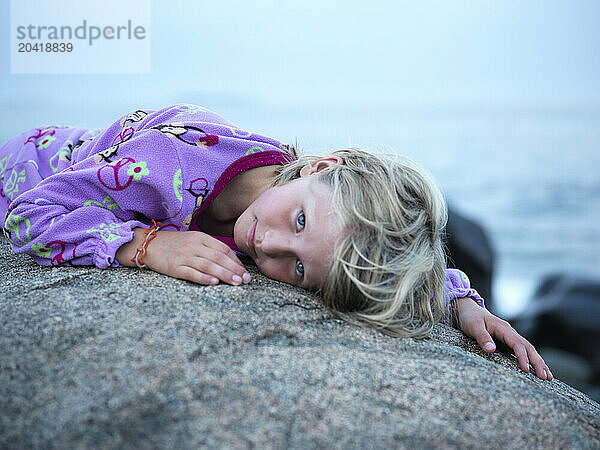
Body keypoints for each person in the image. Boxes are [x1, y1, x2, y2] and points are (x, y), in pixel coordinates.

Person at [1, 103, 552, 380]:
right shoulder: (172, 161)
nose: (269, 246)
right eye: (300, 223)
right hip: (22, 173)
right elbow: (31, 216)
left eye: (298, 272)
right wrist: (145, 246)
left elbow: (382, 269)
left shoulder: (322, 213)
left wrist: (457, 301)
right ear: (320, 164)